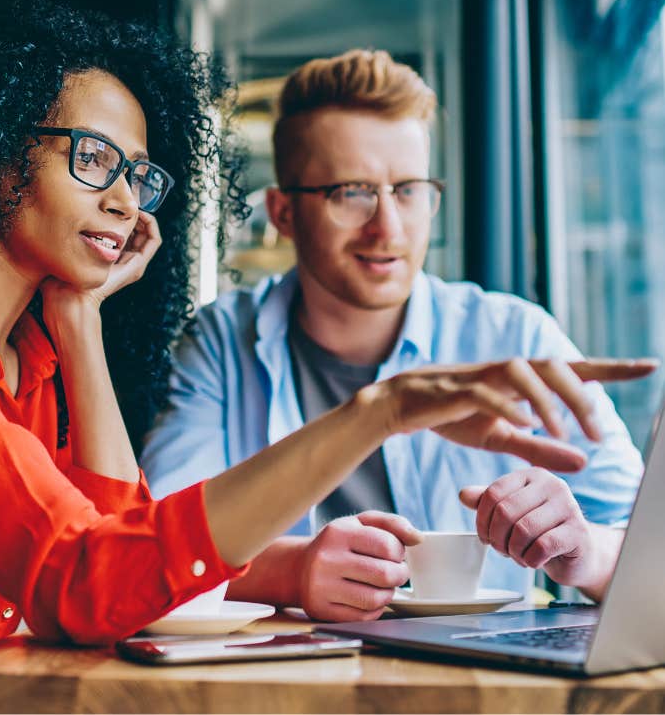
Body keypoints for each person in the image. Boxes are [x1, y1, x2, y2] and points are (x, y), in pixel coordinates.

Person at [0, 0, 652, 712]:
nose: (121, 197)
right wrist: (380, 412)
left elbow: (114, 546)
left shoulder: (31, 347)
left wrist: (79, 320)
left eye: (140, 175)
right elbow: (93, 578)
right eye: (95, 158)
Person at [141, 49, 650, 622]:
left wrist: (583, 552)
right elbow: (154, 546)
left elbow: (650, 555)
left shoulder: (514, 336)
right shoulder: (221, 341)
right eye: (351, 192)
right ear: (283, 213)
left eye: (408, 190)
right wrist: (293, 569)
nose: (389, 226)